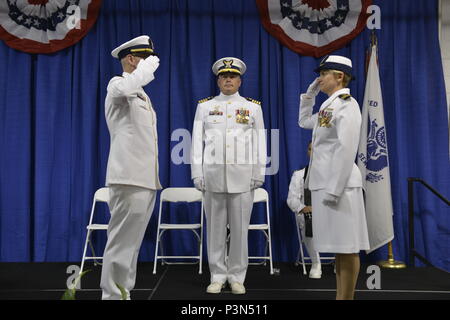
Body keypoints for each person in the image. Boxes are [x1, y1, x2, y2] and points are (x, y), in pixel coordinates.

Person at [191, 57, 266, 295]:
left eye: (232, 76)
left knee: (240, 230)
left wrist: (258, 173)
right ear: (218, 80)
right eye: (224, 76)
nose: (228, 80)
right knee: (214, 231)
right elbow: (196, 143)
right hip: (212, 177)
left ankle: (236, 277)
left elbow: (259, 143)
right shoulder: (204, 107)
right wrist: (197, 173)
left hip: (243, 178)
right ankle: (217, 275)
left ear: (240, 80)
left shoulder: (253, 107)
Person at [298, 55, 370, 300]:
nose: (319, 79)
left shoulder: (347, 105)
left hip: (339, 188)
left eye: (323, 74)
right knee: (339, 249)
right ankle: (341, 296)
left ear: (339, 76)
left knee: (347, 248)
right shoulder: (329, 105)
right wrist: (309, 97)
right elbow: (304, 122)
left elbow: (346, 149)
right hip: (327, 185)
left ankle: (346, 298)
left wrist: (333, 189)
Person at [100, 35, 162, 300]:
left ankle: (123, 294)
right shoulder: (118, 85)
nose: (151, 64)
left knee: (132, 245)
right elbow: (122, 90)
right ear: (131, 59)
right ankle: (112, 296)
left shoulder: (141, 94)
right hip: (127, 176)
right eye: (145, 58)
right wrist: (145, 70)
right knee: (121, 243)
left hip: (145, 178)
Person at [287, 141, 322, 279]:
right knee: (309, 218)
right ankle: (316, 263)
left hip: (330, 214)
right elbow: (291, 199)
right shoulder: (299, 175)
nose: (313, 152)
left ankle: (340, 261)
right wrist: (302, 208)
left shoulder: (333, 175)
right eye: (310, 149)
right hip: (309, 213)